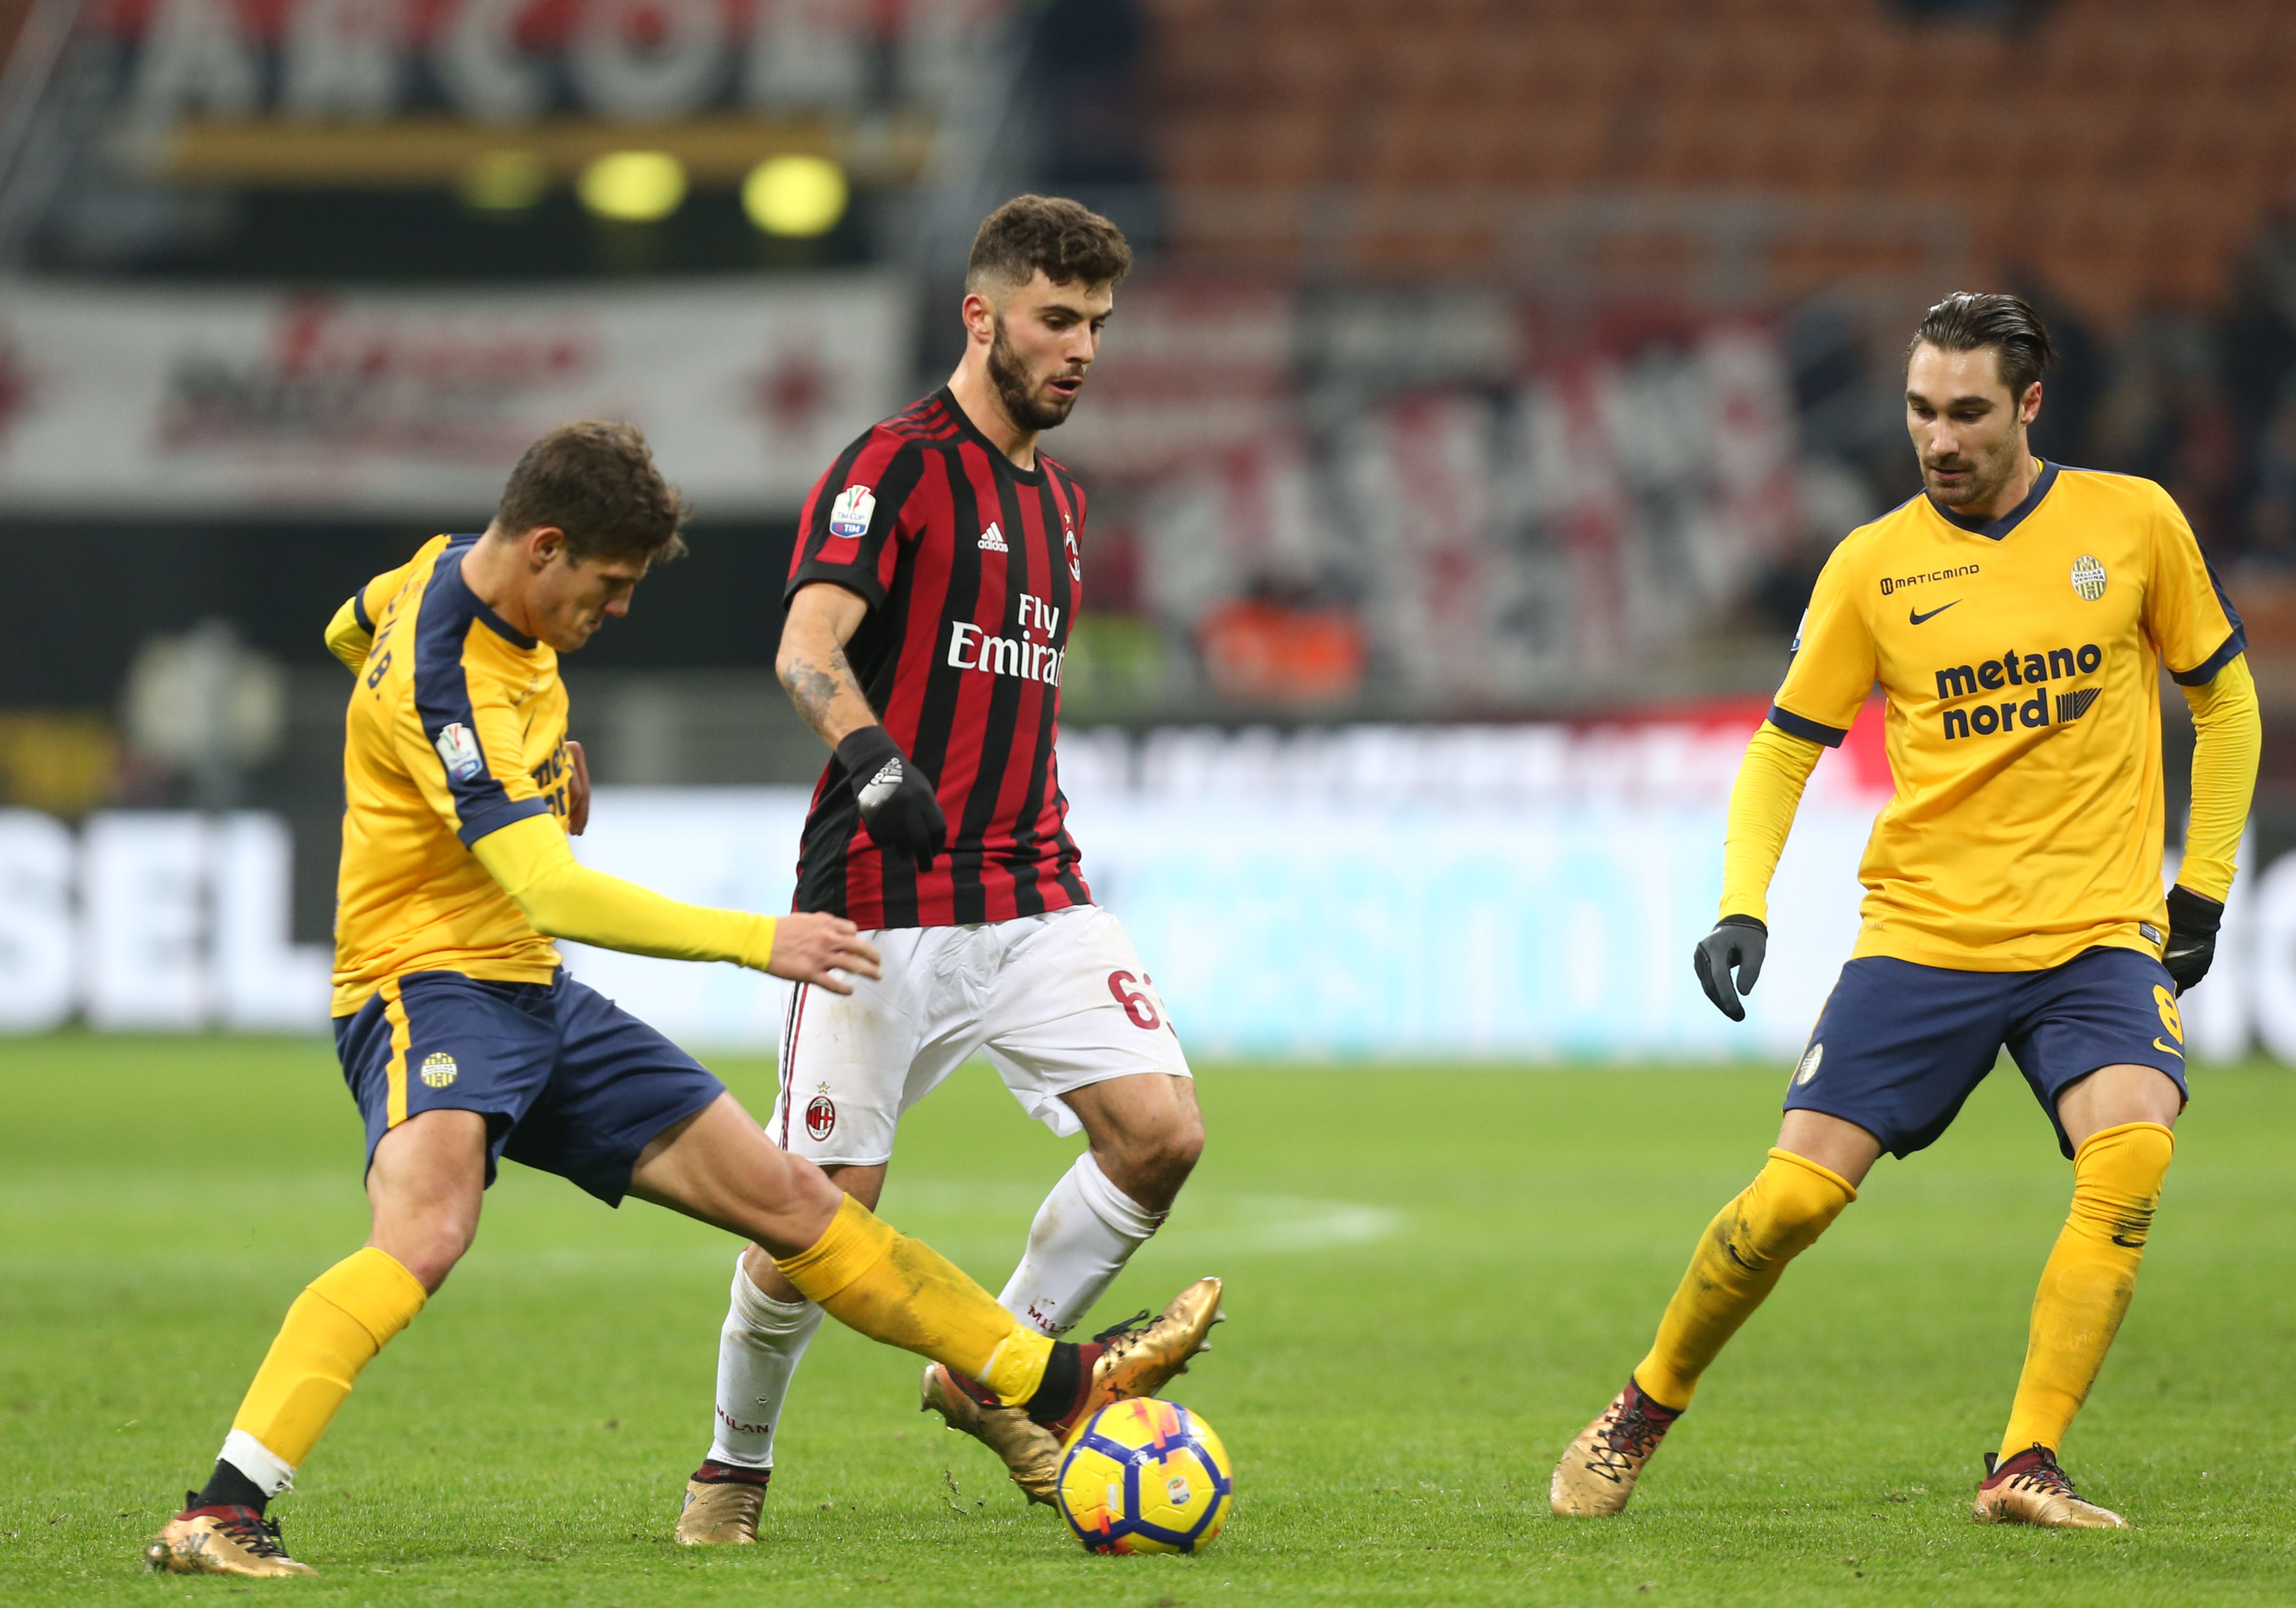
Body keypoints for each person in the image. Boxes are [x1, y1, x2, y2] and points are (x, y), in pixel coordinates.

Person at [147, 421, 1206, 1579]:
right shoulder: (447, 680)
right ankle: (221, 1511)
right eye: (610, 583)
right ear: (544, 548)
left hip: (531, 994)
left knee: (796, 1203)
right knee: (427, 1233)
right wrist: (756, 940)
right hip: (426, 987)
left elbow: (346, 629)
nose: (620, 607)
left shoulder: (437, 567)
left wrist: (515, 771)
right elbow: (549, 886)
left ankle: (1050, 1383)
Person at [1549, 293, 2261, 1530]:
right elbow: (1784, 747)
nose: (1940, 438)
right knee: (1792, 1202)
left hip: (2094, 934)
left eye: (1968, 412)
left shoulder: (2133, 523)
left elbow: (2228, 699)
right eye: (1923, 410)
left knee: (2133, 1150)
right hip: (1928, 936)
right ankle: (1644, 1404)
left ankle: (2026, 1459)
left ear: (2029, 404)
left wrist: (2201, 885)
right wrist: (1742, 903)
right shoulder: (1873, 566)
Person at [675, 195, 1218, 1546]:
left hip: (1033, 886)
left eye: (1097, 324)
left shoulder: (1064, 503)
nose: (1081, 348)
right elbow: (808, 645)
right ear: (982, 317)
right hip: (877, 902)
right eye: (1055, 319)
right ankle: (732, 1467)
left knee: (1161, 1134)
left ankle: (995, 1370)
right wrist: (874, 760)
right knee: (818, 1221)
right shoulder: (897, 466)